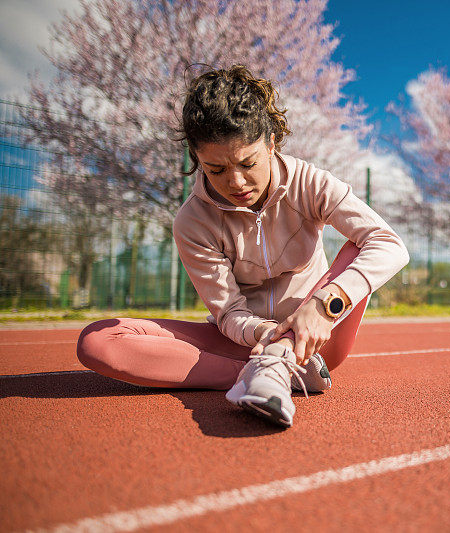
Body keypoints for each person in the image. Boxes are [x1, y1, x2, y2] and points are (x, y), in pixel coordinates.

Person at [76, 65, 409, 428]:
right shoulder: (192, 222)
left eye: (248, 163)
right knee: (99, 341)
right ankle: (266, 371)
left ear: (270, 143)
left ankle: (281, 363)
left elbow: (390, 244)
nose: (235, 182)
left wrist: (324, 306)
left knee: (360, 244)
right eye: (215, 169)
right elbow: (230, 314)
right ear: (196, 159)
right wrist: (268, 337)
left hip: (316, 339)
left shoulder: (310, 183)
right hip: (246, 342)